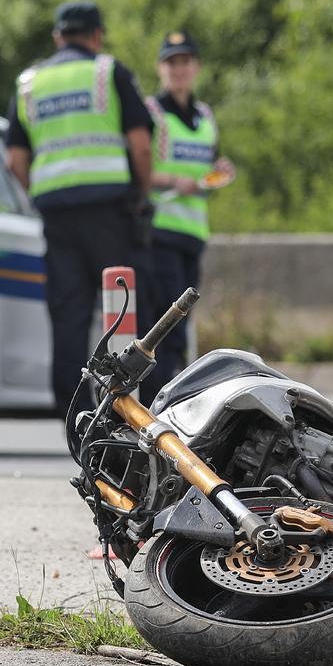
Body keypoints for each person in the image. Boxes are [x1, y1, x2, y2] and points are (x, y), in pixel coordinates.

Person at [6, 1, 156, 412]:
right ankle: (128, 408)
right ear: (96, 35)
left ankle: (73, 413)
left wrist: (41, 192)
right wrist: (142, 194)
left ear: (58, 37)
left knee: (69, 314)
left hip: (57, 214)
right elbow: (141, 146)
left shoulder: (30, 83)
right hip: (109, 210)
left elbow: (15, 161)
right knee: (121, 310)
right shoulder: (108, 73)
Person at [138, 30, 234, 401]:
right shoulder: (153, 113)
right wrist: (175, 180)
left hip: (192, 233)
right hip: (160, 230)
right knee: (166, 328)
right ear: (161, 68)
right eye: (171, 63)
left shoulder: (205, 115)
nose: (178, 70)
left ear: (196, 67)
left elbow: (207, 167)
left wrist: (220, 171)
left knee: (181, 325)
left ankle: (166, 401)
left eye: (185, 62)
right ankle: (156, 403)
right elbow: (140, 173)